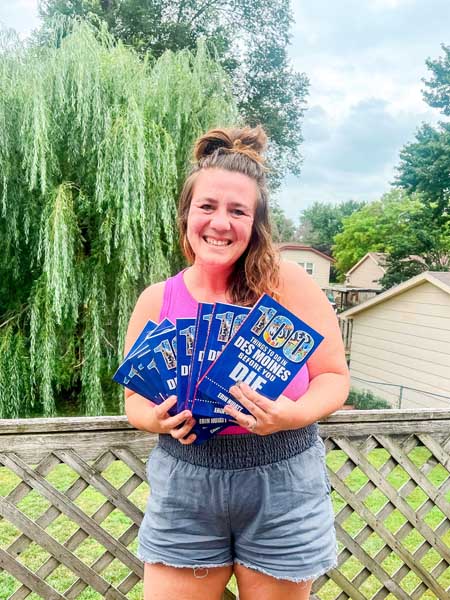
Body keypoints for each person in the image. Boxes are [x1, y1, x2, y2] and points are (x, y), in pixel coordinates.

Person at [124, 126, 350, 600]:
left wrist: (293, 413)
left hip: (283, 481)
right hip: (186, 484)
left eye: (238, 211)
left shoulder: (290, 285)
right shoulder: (155, 300)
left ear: (256, 223)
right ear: (187, 215)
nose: (220, 223)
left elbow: (333, 377)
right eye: (207, 207)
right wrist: (157, 419)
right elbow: (133, 400)